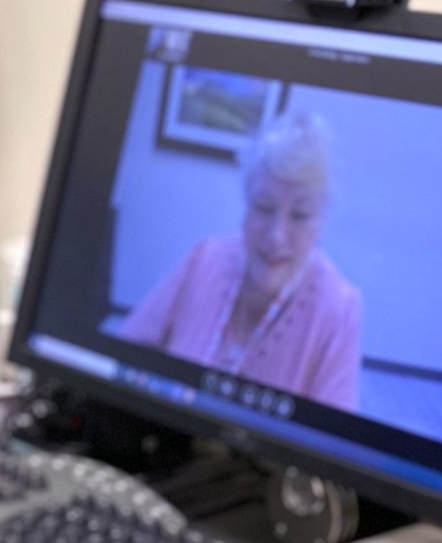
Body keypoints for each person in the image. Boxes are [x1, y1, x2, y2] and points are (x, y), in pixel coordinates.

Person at [118, 110, 363, 411]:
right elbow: (127, 352)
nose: (276, 236)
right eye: (264, 207)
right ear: (247, 205)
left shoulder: (340, 309)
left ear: (321, 221)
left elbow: (327, 432)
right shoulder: (203, 258)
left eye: (300, 215)